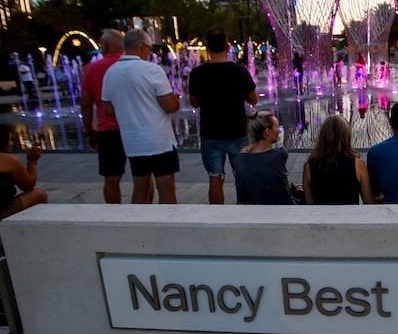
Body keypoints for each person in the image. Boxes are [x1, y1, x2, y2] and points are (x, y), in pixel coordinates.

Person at [101, 29, 180, 204]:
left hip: (132, 140)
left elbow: (107, 109)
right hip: (159, 140)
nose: (150, 53)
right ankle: (169, 223)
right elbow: (170, 105)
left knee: (140, 186)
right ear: (143, 47)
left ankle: (140, 223)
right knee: (165, 186)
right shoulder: (151, 70)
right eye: (150, 49)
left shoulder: (111, 73)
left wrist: (128, 108)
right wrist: (176, 100)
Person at [188, 27, 257, 204]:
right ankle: (245, 213)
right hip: (237, 132)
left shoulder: (198, 73)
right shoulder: (239, 71)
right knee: (242, 177)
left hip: (210, 133)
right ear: (228, 47)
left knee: (215, 178)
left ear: (207, 48)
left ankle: (217, 217)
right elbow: (253, 100)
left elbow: (194, 103)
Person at [81, 29, 126, 204]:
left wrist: (88, 132)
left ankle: (114, 215)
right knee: (143, 176)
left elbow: (86, 105)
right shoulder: (133, 65)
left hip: (108, 130)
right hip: (135, 127)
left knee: (111, 179)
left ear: (105, 46)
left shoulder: (91, 69)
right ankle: (142, 215)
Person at [302, 115, 374, 205]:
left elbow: (309, 204)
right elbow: (368, 201)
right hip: (350, 217)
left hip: (321, 218)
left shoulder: (309, 166)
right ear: (347, 136)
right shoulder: (358, 164)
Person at [233, 110, 296, 205]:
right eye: (277, 127)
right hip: (284, 209)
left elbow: (241, 199)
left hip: (256, 210)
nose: (279, 130)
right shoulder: (280, 154)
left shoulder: (240, 160)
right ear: (268, 131)